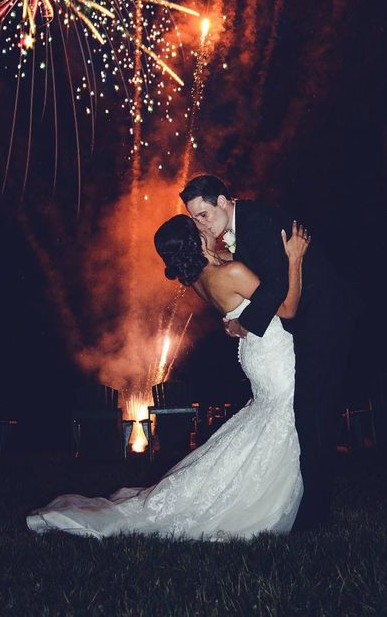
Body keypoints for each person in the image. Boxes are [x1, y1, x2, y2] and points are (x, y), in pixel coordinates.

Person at [26, 216, 310, 541]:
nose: (204, 227)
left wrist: (238, 319)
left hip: (255, 353)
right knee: (281, 416)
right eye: (197, 226)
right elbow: (287, 309)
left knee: (267, 419)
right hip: (272, 355)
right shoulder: (230, 273)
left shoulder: (201, 277)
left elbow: (238, 266)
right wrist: (295, 258)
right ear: (195, 240)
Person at [181, 173, 358, 530]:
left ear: (223, 201)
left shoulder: (258, 223)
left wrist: (242, 324)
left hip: (322, 320)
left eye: (203, 214)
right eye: (194, 217)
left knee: (311, 415)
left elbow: (277, 286)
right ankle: (312, 512)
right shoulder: (240, 226)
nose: (200, 223)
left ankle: (314, 518)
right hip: (305, 324)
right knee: (307, 415)